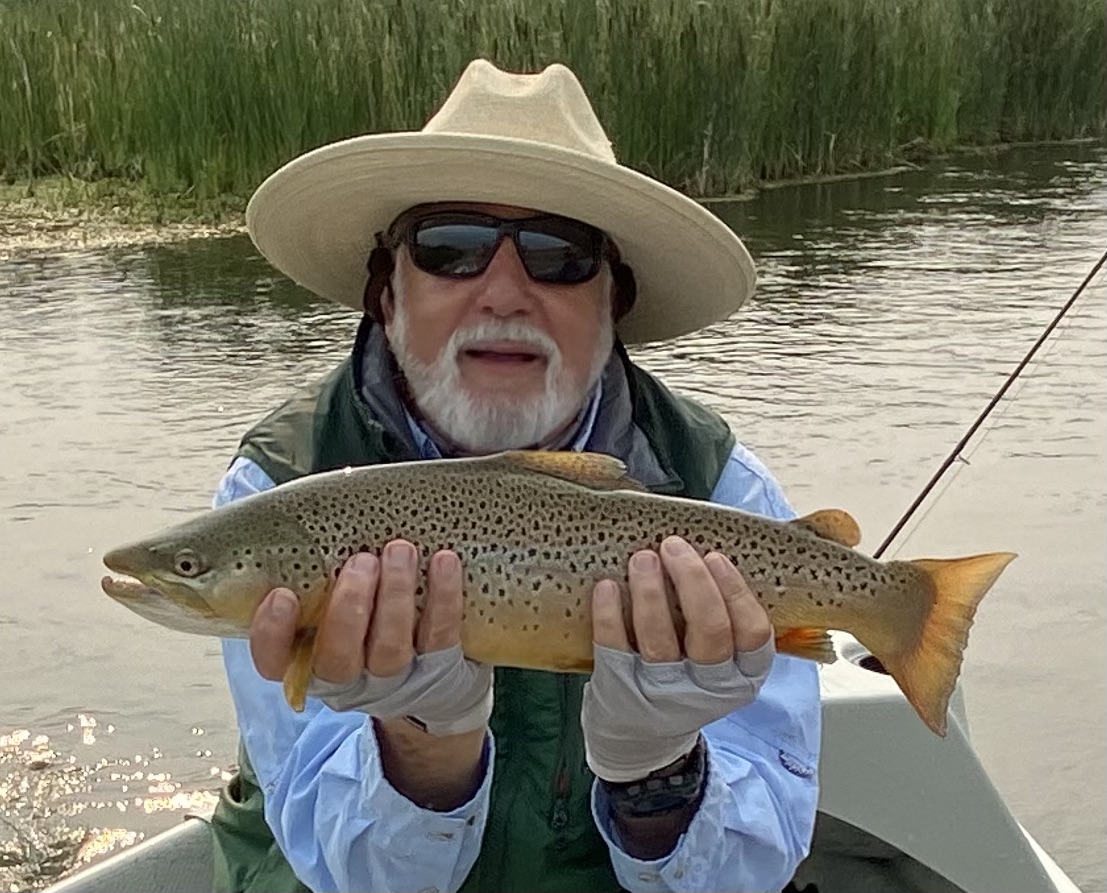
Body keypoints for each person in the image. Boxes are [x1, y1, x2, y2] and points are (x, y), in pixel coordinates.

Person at [208, 58, 822, 893]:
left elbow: (752, 871)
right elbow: (345, 873)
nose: (503, 290)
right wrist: (423, 747)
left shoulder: (716, 487)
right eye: (449, 246)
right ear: (386, 293)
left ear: (615, 305)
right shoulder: (279, 491)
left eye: (558, 254)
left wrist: (658, 767)